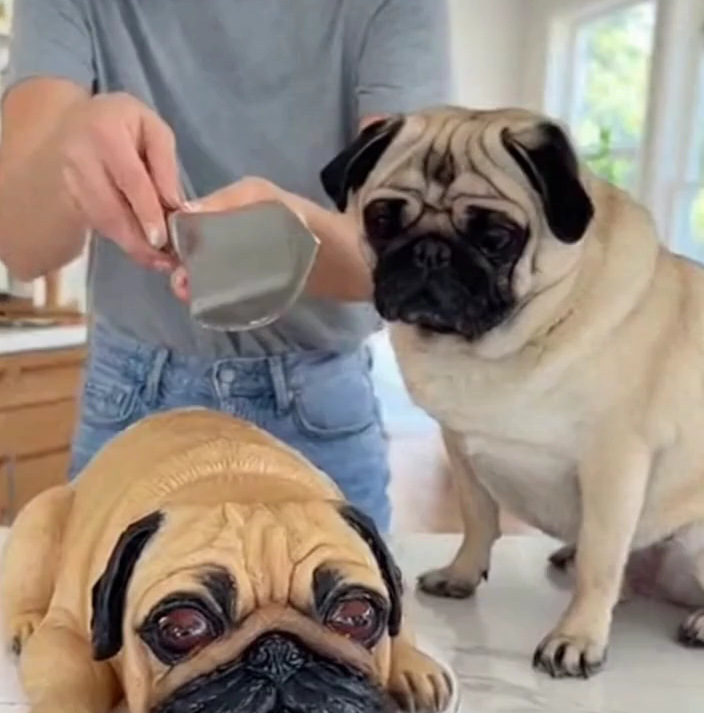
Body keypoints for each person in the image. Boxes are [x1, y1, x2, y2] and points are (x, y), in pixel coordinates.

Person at [0, 0, 452, 532]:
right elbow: (24, 249)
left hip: (318, 397)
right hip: (130, 401)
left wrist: (291, 240)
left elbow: (408, 260)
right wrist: (69, 143)